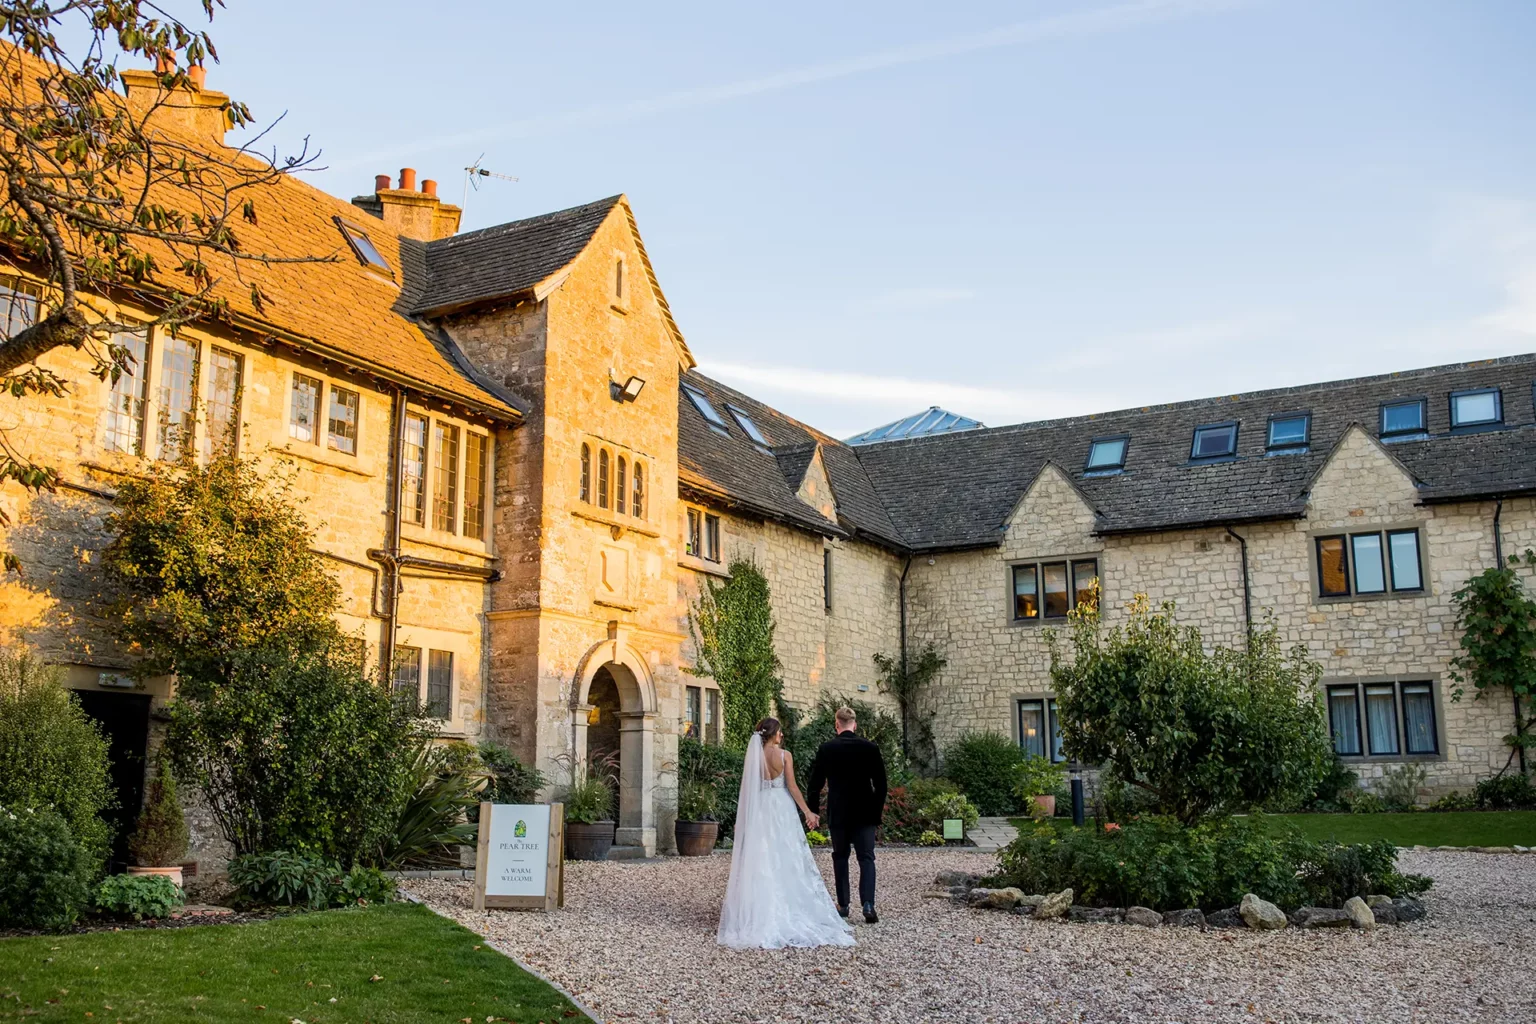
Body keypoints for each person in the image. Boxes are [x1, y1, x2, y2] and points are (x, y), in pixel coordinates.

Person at [716, 717, 855, 950]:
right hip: (781, 807)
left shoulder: (755, 757)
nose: (781, 735)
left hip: (760, 807)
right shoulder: (784, 755)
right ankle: (789, 907)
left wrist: (744, 821)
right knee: (787, 856)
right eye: (779, 732)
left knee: (761, 857)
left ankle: (758, 912)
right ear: (773, 733)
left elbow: (747, 789)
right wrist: (808, 812)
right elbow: (792, 786)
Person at [806, 706, 887, 923]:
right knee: (867, 858)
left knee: (840, 857)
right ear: (855, 724)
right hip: (865, 812)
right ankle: (868, 904)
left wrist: (813, 810)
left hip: (839, 811)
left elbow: (815, 784)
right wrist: (876, 812)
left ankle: (843, 905)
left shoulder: (827, 748)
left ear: (837, 725)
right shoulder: (870, 748)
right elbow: (881, 785)